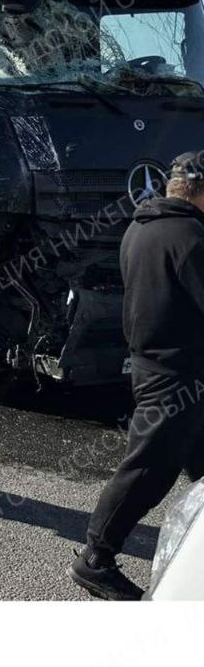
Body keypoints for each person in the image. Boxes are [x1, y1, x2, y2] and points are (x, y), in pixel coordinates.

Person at [71, 150, 204, 600]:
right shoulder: (190, 237)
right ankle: (95, 558)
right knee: (147, 470)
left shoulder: (141, 227)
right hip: (177, 376)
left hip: (161, 366)